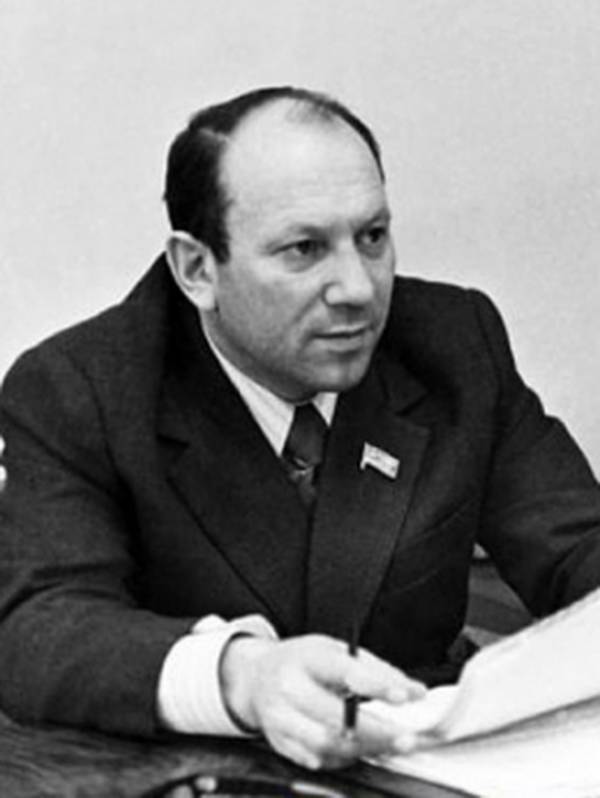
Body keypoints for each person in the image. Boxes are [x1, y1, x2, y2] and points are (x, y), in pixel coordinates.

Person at [1, 86, 599, 771]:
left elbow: (576, 544)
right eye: (304, 249)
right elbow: (37, 626)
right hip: (203, 769)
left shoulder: (454, 343)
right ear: (197, 269)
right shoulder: (81, 389)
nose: (358, 288)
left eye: (372, 237)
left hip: (426, 760)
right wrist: (242, 677)